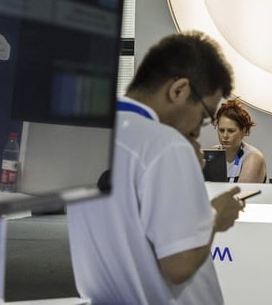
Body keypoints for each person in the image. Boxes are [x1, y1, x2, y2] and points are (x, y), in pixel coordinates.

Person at [66, 31, 245, 305]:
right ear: (179, 90)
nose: (198, 132)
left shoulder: (88, 133)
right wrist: (216, 215)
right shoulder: (167, 145)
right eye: (205, 115)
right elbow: (179, 265)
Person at [211, 97, 267, 183]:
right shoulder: (213, 153)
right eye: (221, 130)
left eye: (231, 131)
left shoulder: (253, 157)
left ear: (243, 131)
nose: (225, 136)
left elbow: (242, 194)